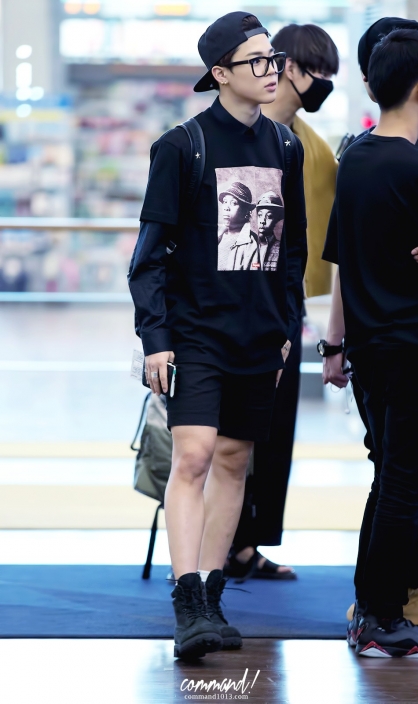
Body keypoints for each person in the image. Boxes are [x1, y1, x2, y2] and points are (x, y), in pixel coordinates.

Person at [128, 11, 307, 660]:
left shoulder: (285, 146)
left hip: (260, 336)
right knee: (195, 456)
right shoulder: (182, 147)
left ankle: (210, 597)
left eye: (274, 58)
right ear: (221, 73)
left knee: (234, 461)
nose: (272, 70)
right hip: (195, 334)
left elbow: (292, 251)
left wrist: (287, 328)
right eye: (257, 60)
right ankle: (186, 604)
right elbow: (149, 256)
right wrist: (156, 338)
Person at [322, 28, 418, 658]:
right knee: (405, 488)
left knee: (389, 481)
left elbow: (342, 255)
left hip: (371, 350)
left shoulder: (358, 158)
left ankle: (371, 610)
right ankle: (382, 616)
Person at [225, 22, 338, 582]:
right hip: (231, 303)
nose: (325, 85)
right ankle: (211, 548)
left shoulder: (311, 146)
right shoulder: (242, 132)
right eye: (318, 73)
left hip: (285, 304)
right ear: (287, 66)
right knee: (224, 437)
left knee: (274, 431)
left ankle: (248, 543)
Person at [217, 182, 258, 271]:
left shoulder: (252, 245)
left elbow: (254, 275)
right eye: (225, 202)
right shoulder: (217, 235)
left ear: (245, 211)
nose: (226, 208)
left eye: (233, 203)